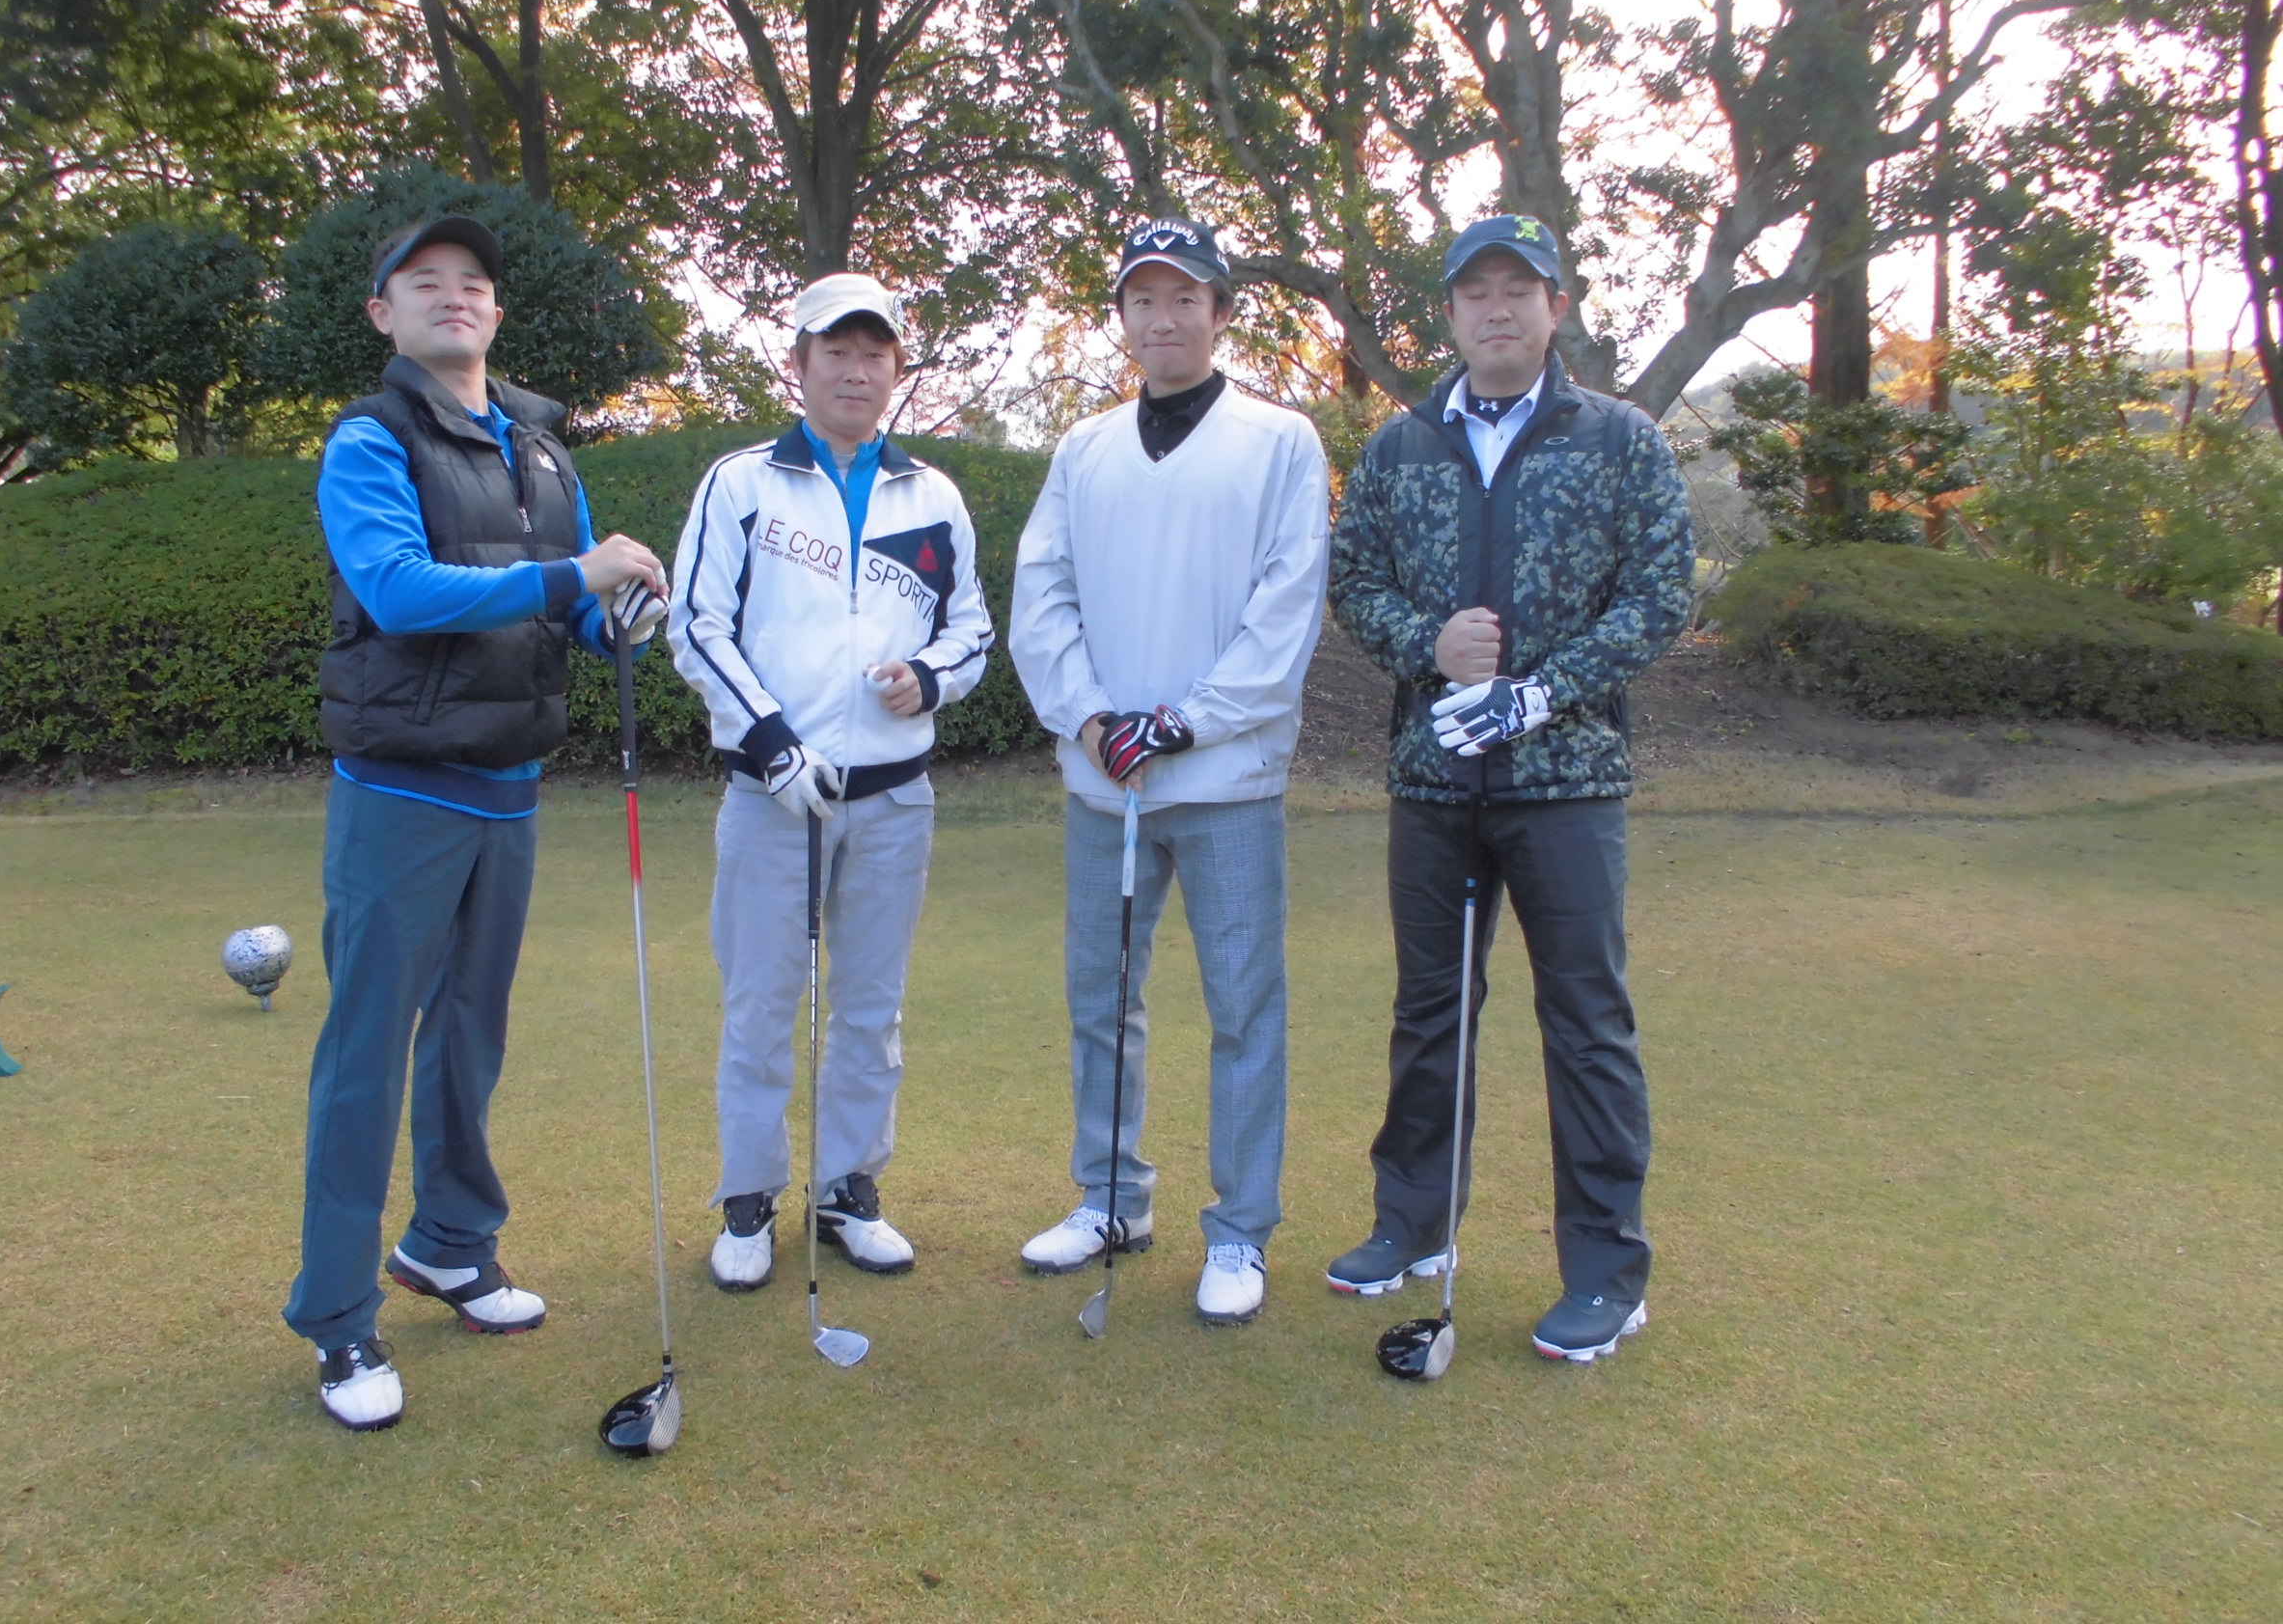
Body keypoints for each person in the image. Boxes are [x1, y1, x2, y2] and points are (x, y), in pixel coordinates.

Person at [286, 214, 668, 1431]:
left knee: (469, 1036)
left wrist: (620, 614)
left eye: (473, 284)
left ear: (496, 312)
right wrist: (576, 580)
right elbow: (397, 591)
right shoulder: (370, 438)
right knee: (366, 1055)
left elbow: (578, 609)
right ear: (383, 313)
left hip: (509, 785)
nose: (454, 296)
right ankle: (338, 1320)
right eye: (424, 282)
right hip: (401, 790)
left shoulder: (543, 447)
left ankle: (451, 1243)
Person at [1325, 212, 1692, 1362]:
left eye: (1517, 291)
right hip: (1435, 783)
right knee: (1428, 1014)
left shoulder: (1620, 439)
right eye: (1475, 292)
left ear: (1554, 308)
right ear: (1449, 313)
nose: (1496, 309)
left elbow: (1659, 593)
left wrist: (1542, 692)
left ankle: (1606, 1271)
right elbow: (1354, 580)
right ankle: (1411, 1225)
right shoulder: (1401, 447)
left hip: (1565, 786)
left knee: (1586, 1022)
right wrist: (1428, 647)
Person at [1009, 218, 1331, 1327]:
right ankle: (1110, 1200)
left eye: (1185, 296)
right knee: (1100, 1000)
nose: (1163, 318)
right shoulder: (1084, 449)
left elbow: (1285, 609)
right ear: (1123, 318)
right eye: (1142, 299)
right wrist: (1091, 717)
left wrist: (1185, 722)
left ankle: (1239, 1230)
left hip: (1227, 783)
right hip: (1106, 785)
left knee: (1244, 1009)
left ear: (1220, 311)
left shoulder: (1280, 441)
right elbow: (1042, 596)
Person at [669, 274, 994, 1292]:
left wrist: (930, 676)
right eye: (837, 351)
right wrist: (770, 741)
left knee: (869, 1008)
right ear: (799, 364)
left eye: (875, 353)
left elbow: (972, 628)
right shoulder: (741, 483)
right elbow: (697, 627)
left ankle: (849, 1186)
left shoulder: (931, 495)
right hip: (773, 793)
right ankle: (750, 1196)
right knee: (762, 1003)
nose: (857, 370)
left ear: (896, 368)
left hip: (894, 796)